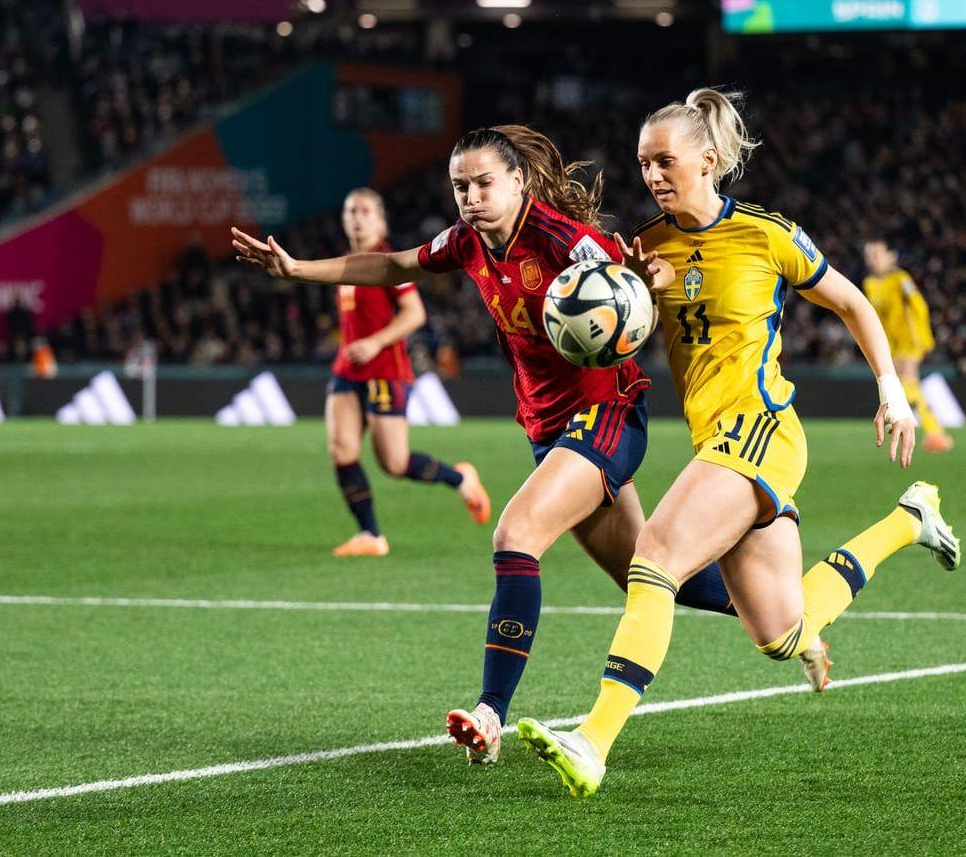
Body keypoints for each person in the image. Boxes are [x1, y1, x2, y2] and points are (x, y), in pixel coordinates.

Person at [232, 125, 814, 768]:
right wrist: (295, 269)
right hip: (548, 431)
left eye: (484, 182)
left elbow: (628, 292)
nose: (472, 196)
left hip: (607, 416)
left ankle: (490, 714)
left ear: (519, 181)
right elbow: (394, 265)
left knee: (515, 534)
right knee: (649, 577)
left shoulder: (567, 241)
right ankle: (793, 620)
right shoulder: (467, 243)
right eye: (461, 186)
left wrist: (644, 281)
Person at [516, 88, 961, 797]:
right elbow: (616, 341)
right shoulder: (645, 248)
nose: (653, 175)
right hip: (714, 441)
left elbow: (850, 300)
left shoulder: (765, 234)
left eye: (665, 161)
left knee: (654, 559)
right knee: (780, 635)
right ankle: (908, 521)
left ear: (709, 159)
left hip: (761, 428)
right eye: (642, 163)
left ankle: (592, 740)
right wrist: (635, 291)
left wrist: (891, 389)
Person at [326, 187, 491, 558]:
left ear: (380, 220)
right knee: (341, 449)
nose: (357, 217)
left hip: (385, 370)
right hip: (347, 371)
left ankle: (461, 479)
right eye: (351, 211)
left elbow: (415, 313)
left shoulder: (388, 262)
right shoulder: (344, 263)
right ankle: (370, 534)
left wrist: (375, 343)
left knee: (395, 464)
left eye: (366, 211)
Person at [863, 240, 952, 452]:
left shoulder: (900, 279)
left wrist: (923, 338)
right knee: (905, 387)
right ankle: (925, 430)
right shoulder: (869, 284)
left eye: (877, 254)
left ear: (887, 256)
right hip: (890, 344)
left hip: (909, 341)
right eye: (869, 255)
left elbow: (919, 306)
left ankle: (935, 433)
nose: (872, 259)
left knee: (908, 382)